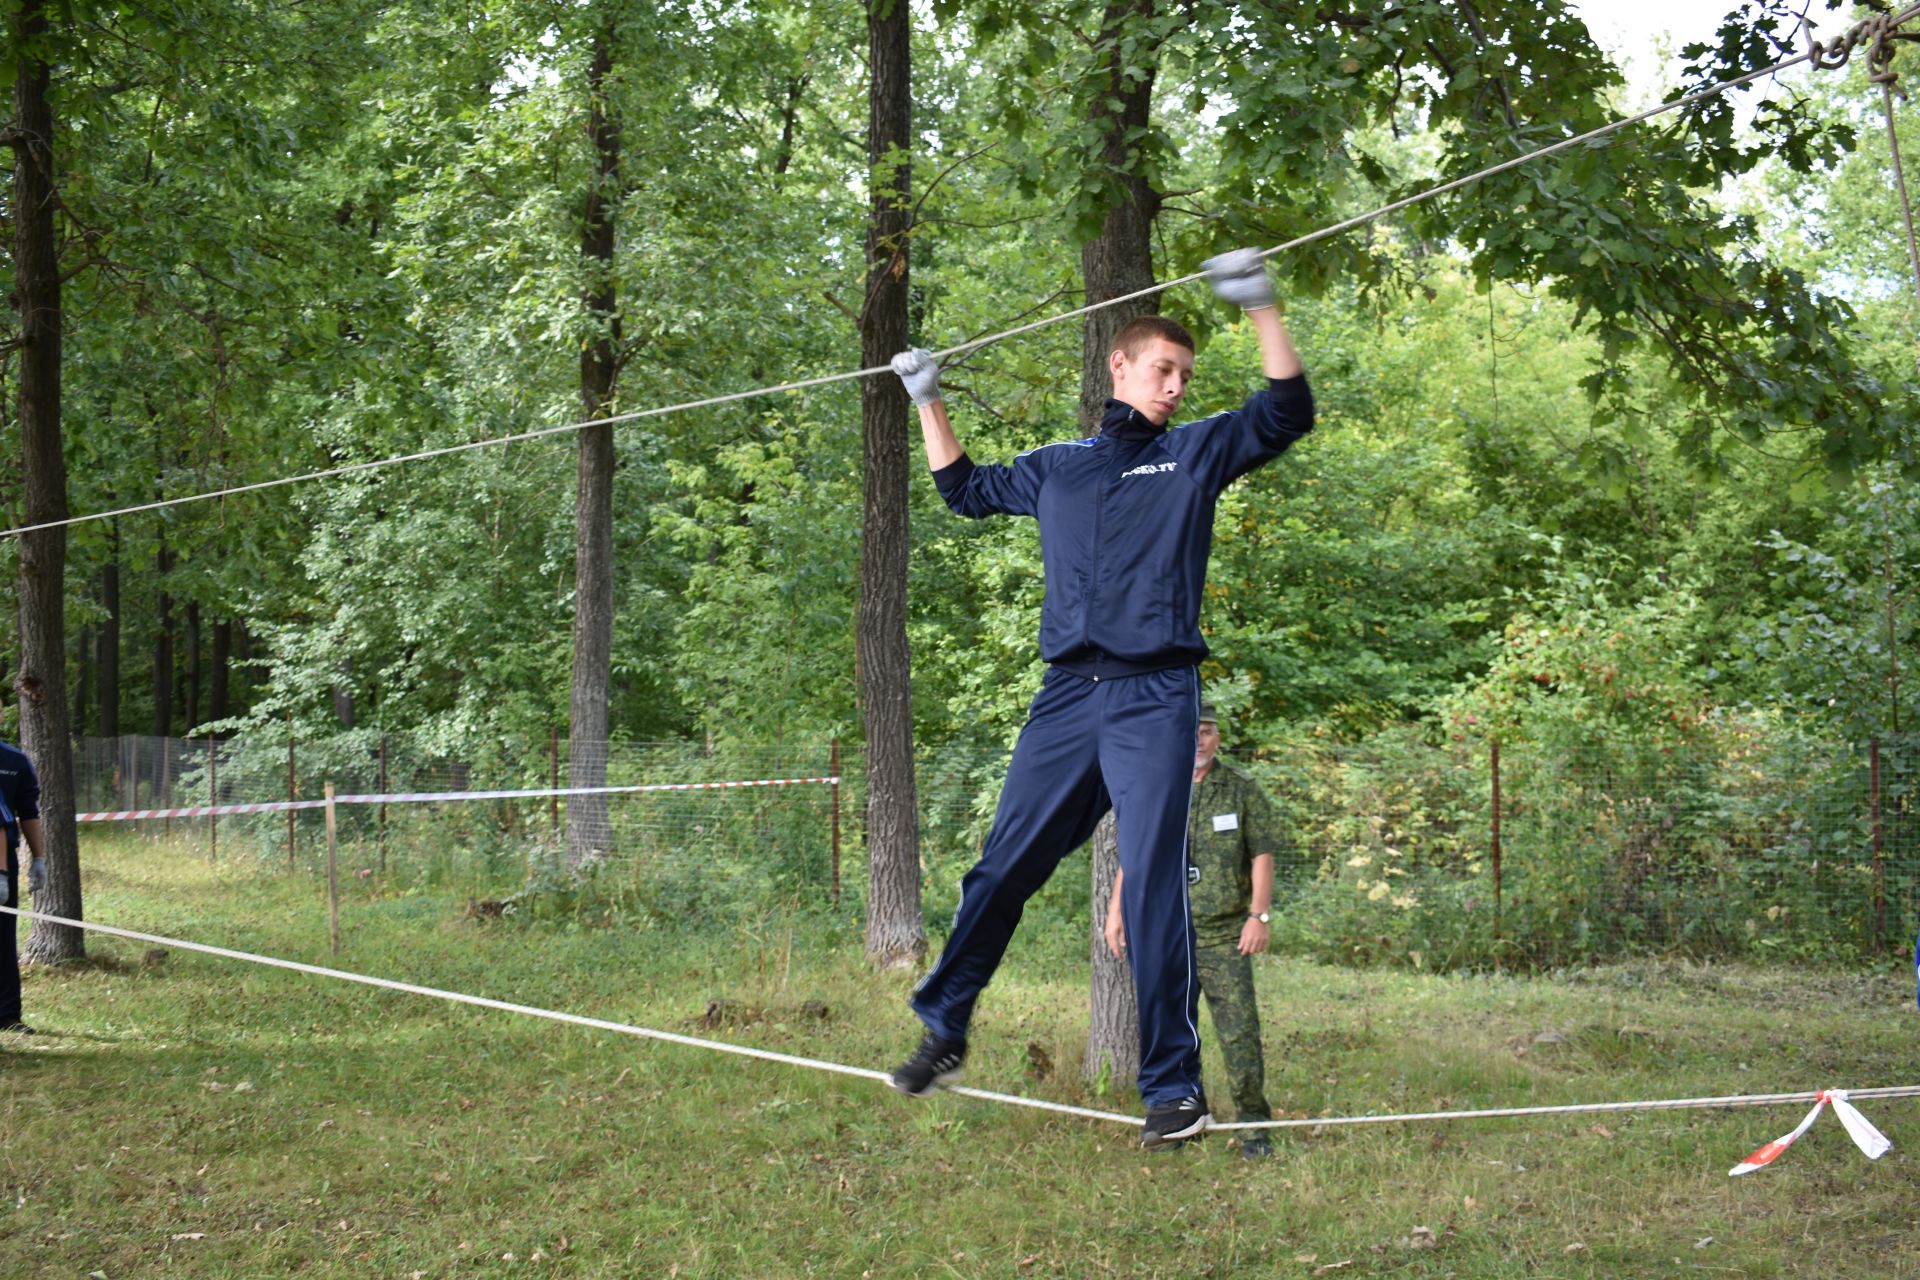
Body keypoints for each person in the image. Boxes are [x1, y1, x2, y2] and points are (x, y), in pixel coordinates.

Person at [886, 249, 1314, 1148]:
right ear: (1119, 365)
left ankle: (1174, 1092)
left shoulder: (1193, 454)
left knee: (1156, 884)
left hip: (1156, 696)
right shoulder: (1057, 467)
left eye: (1186, 376)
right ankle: (945, 1026)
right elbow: (962, 491)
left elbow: (1285, 412)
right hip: (1067, 698)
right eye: (1163, 369)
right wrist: (927, 396)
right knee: (1002, 866)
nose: (1174, 387)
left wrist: (1263, 307)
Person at [1105, 701, 1285, 1159]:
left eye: (1206, 732)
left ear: (1217, 737)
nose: (1198, 741)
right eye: (1191, 732)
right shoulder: (1157, 789)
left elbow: (1262, 854)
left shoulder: (1240, 790)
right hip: (1167, 932)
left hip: (1226, 934)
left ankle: (1254, 1128)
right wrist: (1117, 911)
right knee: (1169, 1032)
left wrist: (1258, 916)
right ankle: (1180, 1119)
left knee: (1239, 1033)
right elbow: (1136, 857)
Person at [0, 736, 46, 1035]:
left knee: (3, 938)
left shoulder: (15, 761)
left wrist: (38, 858)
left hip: (4, 860)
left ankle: (6, 1015)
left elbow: (25, 812)